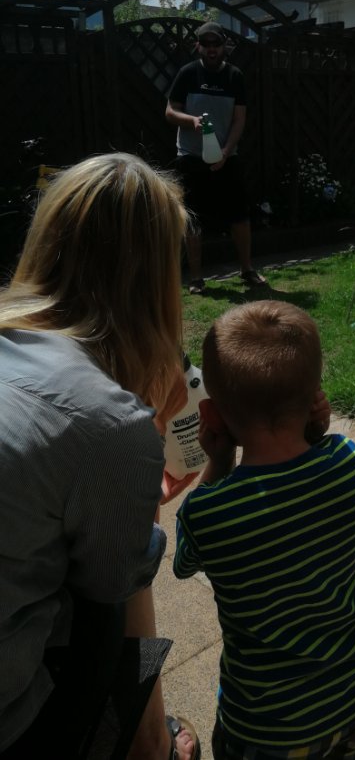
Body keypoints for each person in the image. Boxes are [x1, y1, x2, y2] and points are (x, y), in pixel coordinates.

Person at [0, 153, 198, 760]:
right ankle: (148, 745)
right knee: (108, 608)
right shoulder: (110, 424)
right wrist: (145, 446)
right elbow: (114, 581)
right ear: (152, 280)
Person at [174, 300, 355, 760]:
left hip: (267, 725)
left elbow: (184, 564)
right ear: (313, 398)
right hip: (353, 692)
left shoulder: (211, 511)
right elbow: (310, 468)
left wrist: (219, 461)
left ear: (214, 414)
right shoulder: (348, 462)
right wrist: (314, 432)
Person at [166, 21, 266, 294]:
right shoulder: (188, 74)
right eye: (206, 44)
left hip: (226, 157)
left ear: (224, 46)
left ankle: (247, 270)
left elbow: (239, 119)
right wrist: (191, 121)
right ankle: (196, 278)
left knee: (240, 215)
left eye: (216, 44)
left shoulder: (234, 77)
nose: (211, 49)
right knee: (193, 219)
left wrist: (226, 151)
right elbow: (170, 112)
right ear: (198, 46)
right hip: (191, 157)